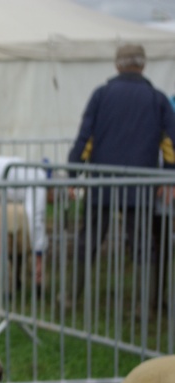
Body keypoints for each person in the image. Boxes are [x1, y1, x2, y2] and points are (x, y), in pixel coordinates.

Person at [67, 43, 175, 311]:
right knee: (142, 244)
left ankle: (69, 298)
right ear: (143, 65)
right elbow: (171, 143)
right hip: (140, 186)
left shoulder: (101, 95)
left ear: (117, 65)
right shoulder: (157, 98)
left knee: (88, 241)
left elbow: (85, 138)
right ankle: (143, 307)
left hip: (101, 183)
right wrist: (169, 176)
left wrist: (73, 172)